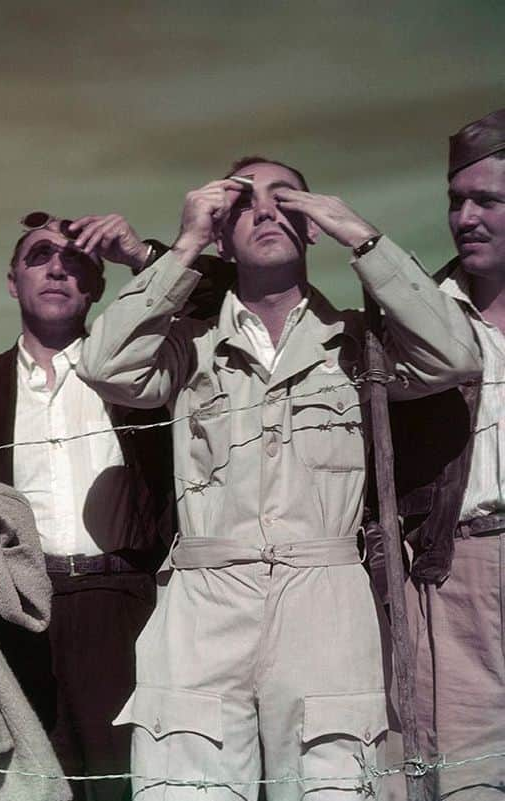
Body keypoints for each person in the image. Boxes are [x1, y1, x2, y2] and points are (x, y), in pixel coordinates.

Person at [76, 157, 481, 799]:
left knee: (336, 782)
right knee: (186, 785)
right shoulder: (187, 344)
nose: (265, 212)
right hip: (205, 593)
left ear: (311, 221)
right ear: (218, 230)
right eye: (243, 203)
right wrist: (183, 247)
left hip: (325, 594)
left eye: (284, 198)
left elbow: (456, 355)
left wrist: (361, 234)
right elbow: (104, 365)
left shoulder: (360, 341)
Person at [0, 211, 177, 801]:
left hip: (124, 604)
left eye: (76, 263)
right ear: (12, 280)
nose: (57, 269)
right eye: (39, 257)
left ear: (96, 287)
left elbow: (215, 302)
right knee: (29, 787)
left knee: (130, 784)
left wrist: (141, 254)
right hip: (17, 609)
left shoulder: (142, 375)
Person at [390, 107, 505, 798]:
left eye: (487, 200)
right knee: (466, 779)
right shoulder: (417, 318)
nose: (465, 217)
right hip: (453, 568)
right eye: (456, 202)